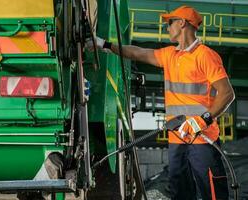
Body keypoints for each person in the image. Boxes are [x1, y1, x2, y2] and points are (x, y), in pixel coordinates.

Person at [88, 5, 235, 200]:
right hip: (177, 140)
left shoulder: (205, 56)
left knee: (212, 192)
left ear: (182, 23)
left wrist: (202, 120)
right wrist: (105, 44)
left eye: (170, 22)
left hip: (202, 140)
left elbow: (227, 93)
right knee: (180, 193)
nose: (167, 27)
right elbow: (138, 53)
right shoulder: (169, 55)